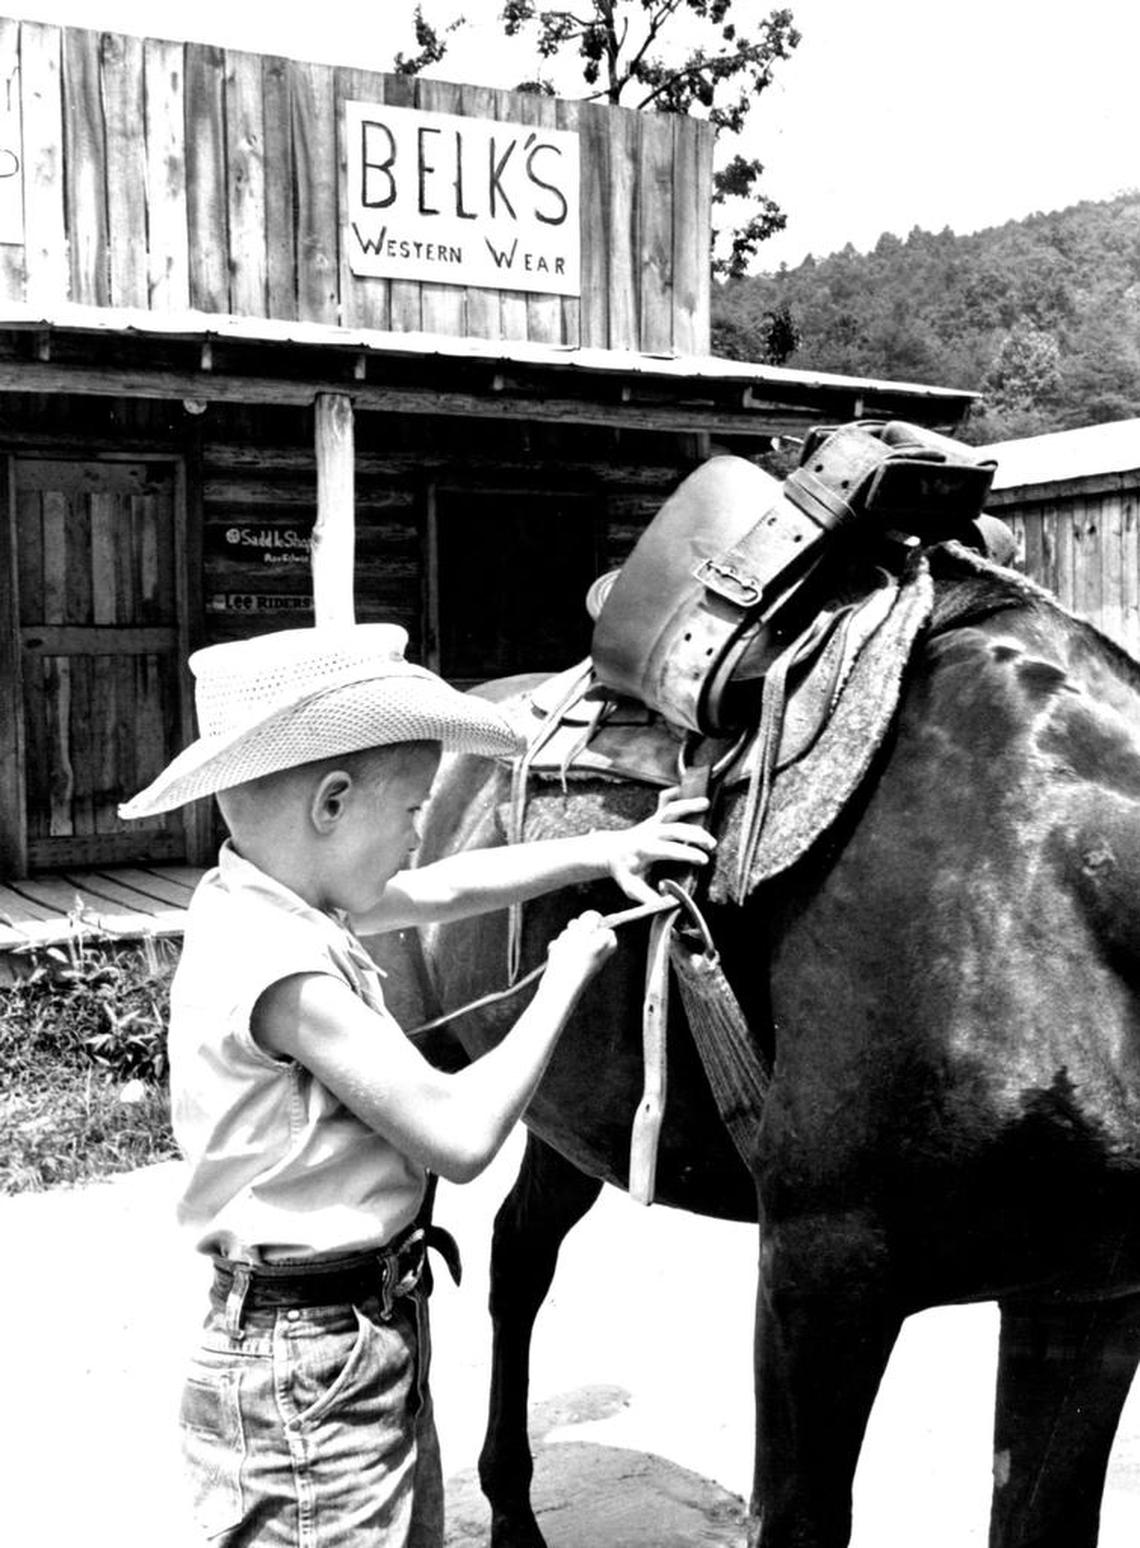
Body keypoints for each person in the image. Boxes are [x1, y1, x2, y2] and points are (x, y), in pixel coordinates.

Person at [118, 622, 714, 1548]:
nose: (418, 838)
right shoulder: (282, 969)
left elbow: (444, 890)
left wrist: (602, 854)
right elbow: (461, 1138)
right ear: (333, 803)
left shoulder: (267, 900)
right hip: (307, 1364)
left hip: (352, 1331)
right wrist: (560, 983)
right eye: (410, 816)